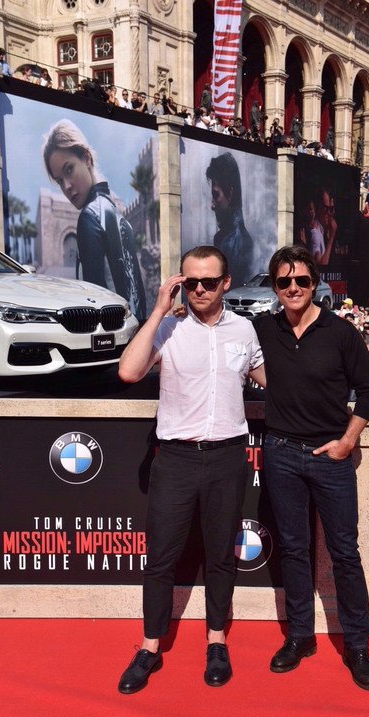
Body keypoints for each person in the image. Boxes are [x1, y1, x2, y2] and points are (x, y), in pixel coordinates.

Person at [117, 245, 265, 694]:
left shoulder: (244, 330)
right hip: (176, 459)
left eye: (208, 281)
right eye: (190, 281)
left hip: (227, 457)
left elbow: (275, 381)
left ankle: (216, 642)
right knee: (161, 557)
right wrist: (159, 310)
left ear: (225, 283)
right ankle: (149, 647)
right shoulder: (168, 327)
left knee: (220, 555)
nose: (199, 289)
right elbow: (128, 372)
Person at [254, 244, 369, 691]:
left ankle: (358, 646)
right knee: (293, 549)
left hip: (330, 458)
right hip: (281, 453)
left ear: (315, 284)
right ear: (274, 287)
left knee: (345, 552)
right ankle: (300, 637)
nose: (293, 288)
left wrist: (346, 442)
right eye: (284, 281)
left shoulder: (340, 332)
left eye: (302, 280)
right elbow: (234, 354)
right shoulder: (262, 329)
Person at [43, 119, 147, 320]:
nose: (67, 186)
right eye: (59, 180)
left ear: (87, 158)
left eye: (69, 170)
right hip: (136, 327)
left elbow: (95, 303)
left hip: (114, 331)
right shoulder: (113, 210)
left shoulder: (90, 216)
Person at [205, 152, 254, 287]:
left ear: (230, 193)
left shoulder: (234, 241)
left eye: (216, 195)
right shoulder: (229, 238)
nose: (212, 205)